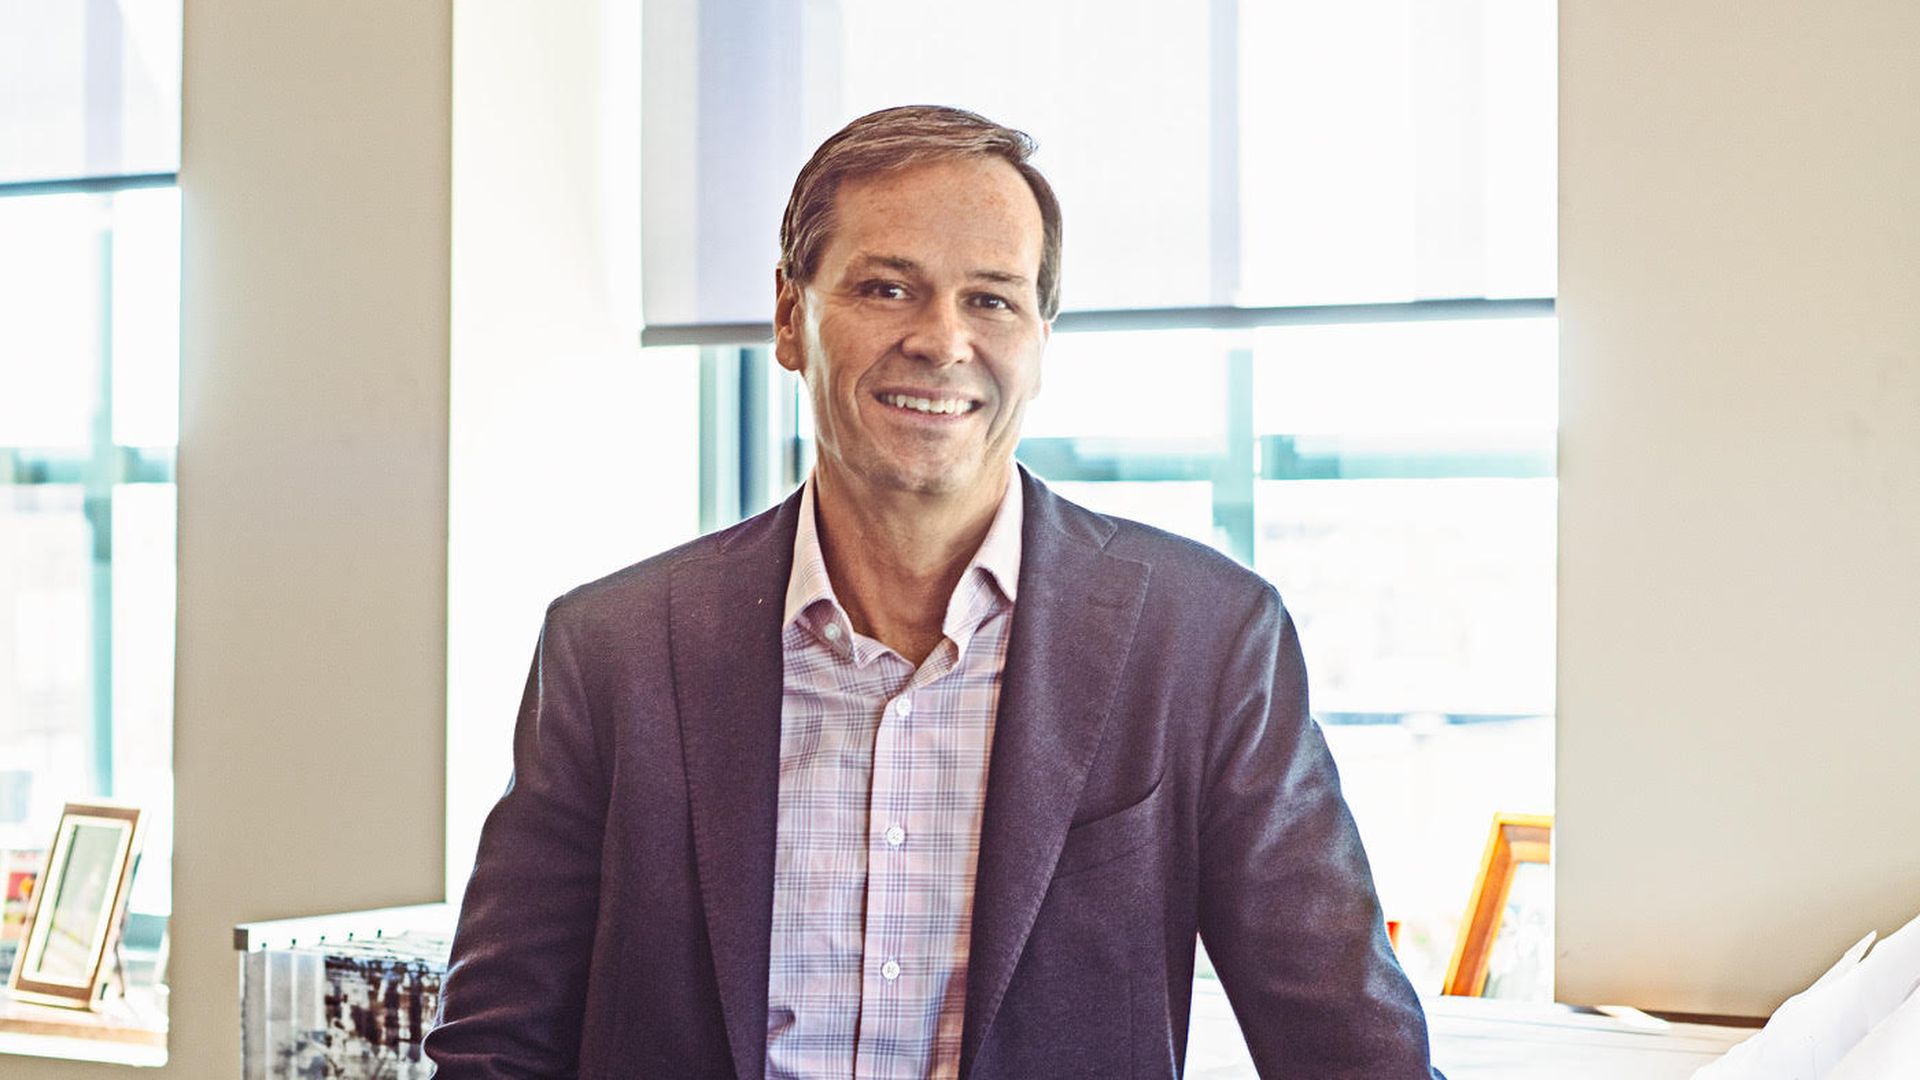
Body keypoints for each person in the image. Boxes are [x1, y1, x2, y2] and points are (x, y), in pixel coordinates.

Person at [424, 105, 1443, 1080]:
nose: (943, 340)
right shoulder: (615, 648)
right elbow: (498, 1046)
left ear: (1041, 343)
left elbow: (1348, 1048)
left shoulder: (1205, 640)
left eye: (992, 298)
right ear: (791, 316)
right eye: (886, 288)